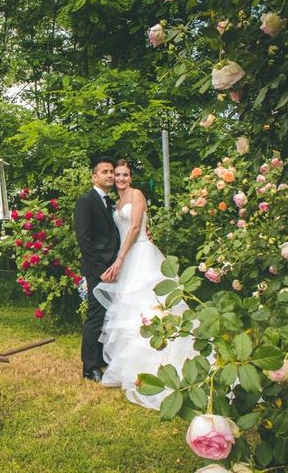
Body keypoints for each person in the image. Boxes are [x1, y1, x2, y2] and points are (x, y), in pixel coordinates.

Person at [93, 159, 197, 409]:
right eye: (116, 174)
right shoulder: (115, 203)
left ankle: (159, 364)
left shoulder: (137, 195)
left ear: (131, 177)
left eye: (124, 175)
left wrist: (119, 259)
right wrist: (120, 259)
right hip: (127, 258)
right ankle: (130, 368)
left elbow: (136, 226)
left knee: (149, 307)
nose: (120, 178)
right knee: (129, 313)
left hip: (140, 255)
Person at [74, 156, 120, 382]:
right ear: (95, 176)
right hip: (97, 269)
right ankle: (89, 366)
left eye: (112, 171)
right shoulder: (86, 201)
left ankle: (103, 358)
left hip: (115, 267)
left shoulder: (111, 202)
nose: (110, 175)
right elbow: (84, 239)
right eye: (105, 172)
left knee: (110, 314)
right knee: (96, 315)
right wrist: (100, 269)